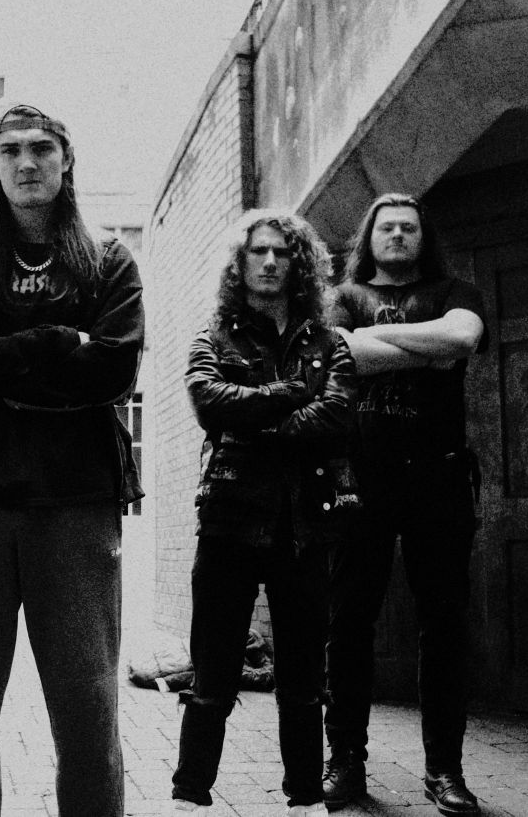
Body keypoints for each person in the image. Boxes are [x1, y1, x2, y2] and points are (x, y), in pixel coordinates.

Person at [0, 104, 145, 817]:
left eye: (42, 148)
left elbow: (112, 371)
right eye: (9, 150)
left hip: (76, 498)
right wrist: (53, 343)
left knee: (86, 700)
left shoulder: (108, 260)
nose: (26, 162)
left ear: (66, 160)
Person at [171, 211, 360, 817]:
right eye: (259, 251)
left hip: (306, 523)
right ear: (241, 262)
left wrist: (258, 421)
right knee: (212, 672)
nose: (271, 261)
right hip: (230, 518)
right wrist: (288, 396)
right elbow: (208, 401)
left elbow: (337, 415)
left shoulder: (329, 343)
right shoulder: (214, 336)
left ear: (300, 263)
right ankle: (190, 796)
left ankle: (304, 798)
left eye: (282, 252)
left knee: (303, 677)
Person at [323, 193, 486, 816]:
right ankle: (345, 761)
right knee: (348, 622)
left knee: (443, 625)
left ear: (423, 236)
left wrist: (372, 339)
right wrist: (427, 347)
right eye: (386, 226)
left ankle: (445, 770)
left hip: (438, 479)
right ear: (369, 236)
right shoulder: (342, 297)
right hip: (358, 480)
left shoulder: (455, 291)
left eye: (408, 227)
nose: (397, 234)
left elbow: (462, 338)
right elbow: (338, 354)